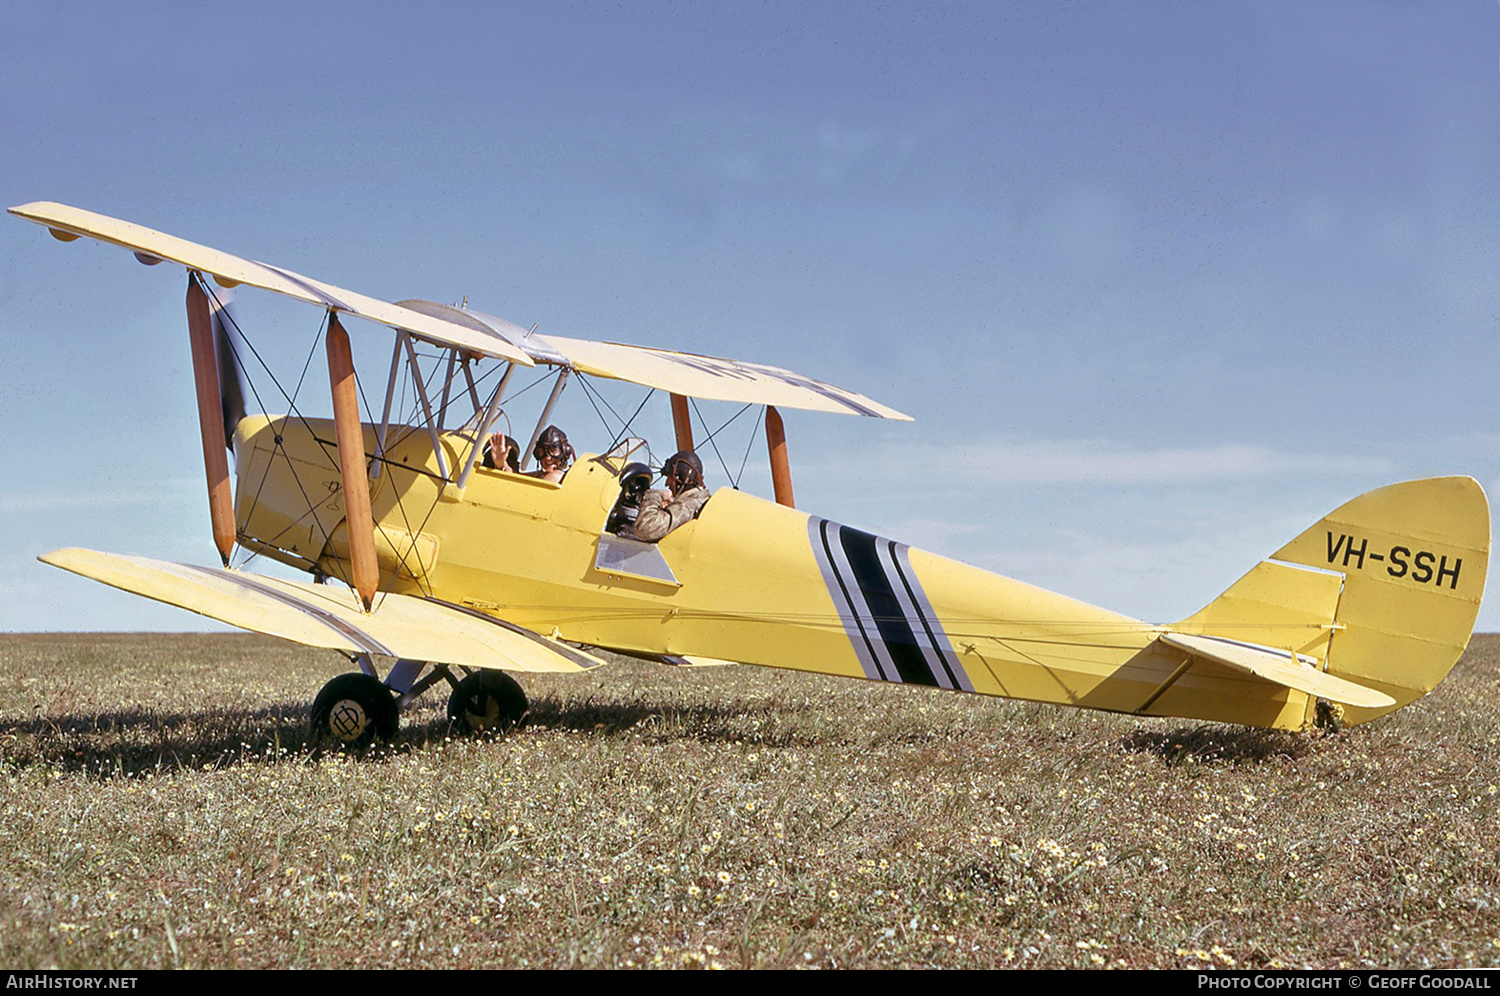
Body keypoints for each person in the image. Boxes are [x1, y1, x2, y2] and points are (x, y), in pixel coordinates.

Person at [633, 450, 710, 542]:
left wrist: (656, 495)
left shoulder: (689, 506)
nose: (666, 483)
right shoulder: (697, 500)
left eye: (670, 478)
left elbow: (645, 528)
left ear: (683, 478)